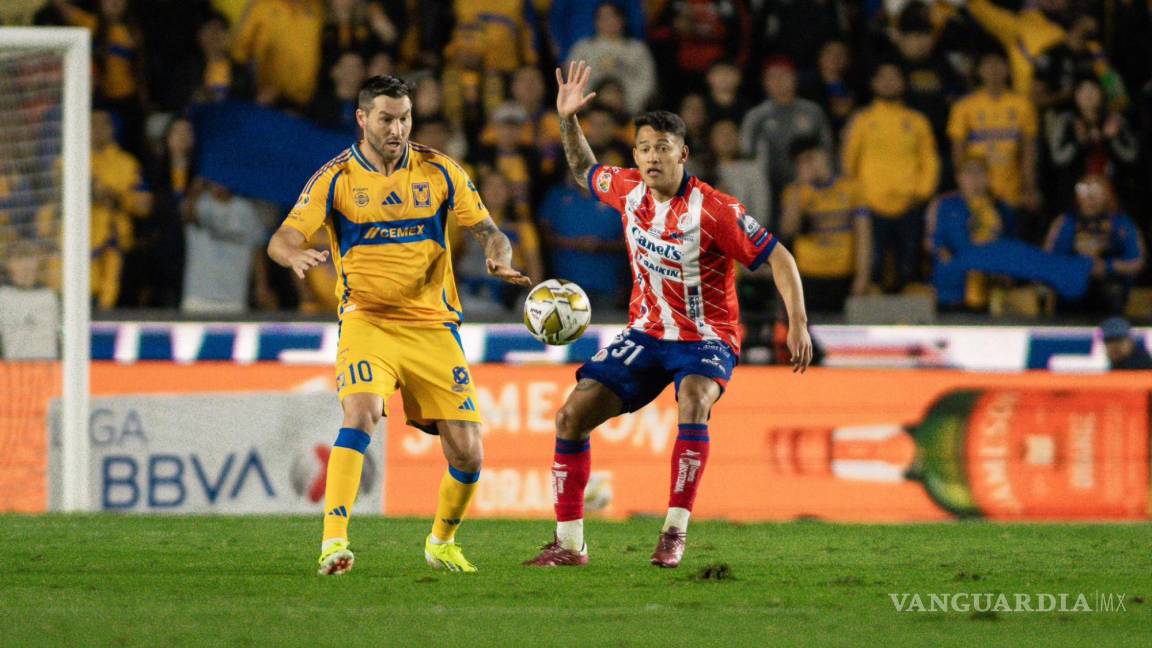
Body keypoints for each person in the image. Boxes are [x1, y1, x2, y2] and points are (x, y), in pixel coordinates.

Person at [525, 62, 812, 569]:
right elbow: (581, 168)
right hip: (646, 334)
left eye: (663, 147)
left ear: (683, 153)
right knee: (570, 416)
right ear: (634, 154)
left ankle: (674, 533)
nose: (653, 156)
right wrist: (567, 119)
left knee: (695, 399)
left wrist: (799, 324)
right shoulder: (627, 189)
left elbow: (780, 258)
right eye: (644, 148)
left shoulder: (716, 210)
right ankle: (569, 545)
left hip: (706, 337)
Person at [266, 75, 531, 576]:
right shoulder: (337, 178)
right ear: (362, 119)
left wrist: (499, 257)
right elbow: (280, 237)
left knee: (470, 455)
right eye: (386, 118)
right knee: (361, 413)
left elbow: (489, 230)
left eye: (405, 117)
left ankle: (441, 542)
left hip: (433, 325)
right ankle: (334, 543)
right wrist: (294, 255)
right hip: (368, 320)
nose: (398, 128)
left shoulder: (438, 170)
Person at [841, 63, 938, 292]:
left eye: (894, 77)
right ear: (873, 83)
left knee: (909, 262)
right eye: (882, 78)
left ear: (903, 83)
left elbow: (929, 160)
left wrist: (921, 193)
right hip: (871, 205)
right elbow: (849, 161)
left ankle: (911, 303)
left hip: (910, 203)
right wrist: (857, 197)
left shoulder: (917, 121)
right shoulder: (862, 120)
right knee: (873, 262)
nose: (888, 82)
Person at [781, 138, 872, 312]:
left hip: (843, 273)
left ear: (824, 155)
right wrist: (801, 186)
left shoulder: (852, 188)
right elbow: (788, 230)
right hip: (808, 275)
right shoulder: (794, 192)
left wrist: (862, 276)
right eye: (801, 162)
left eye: (811, 158)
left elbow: (863, 235)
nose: (809, 165)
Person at [947, 51, 1040, 212]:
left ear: (1008, 69)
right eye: (988, 65)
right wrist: (963, 186)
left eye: (999, 64)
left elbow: (1028, 150)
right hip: (976, 193)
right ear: (979, 70)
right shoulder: (964, 106)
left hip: (1011, 192)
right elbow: (958, 151)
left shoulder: (1023, 104)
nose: (993, 69)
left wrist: (1029, 188)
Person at [1043, 175, 1146, 315]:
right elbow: (1047, 259)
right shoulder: (1064, 222)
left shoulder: (1121, 223)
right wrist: (1078, 267)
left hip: (1108, 287)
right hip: (1071, 286)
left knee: (1112, 290)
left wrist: (1107, 266)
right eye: (1084, 190)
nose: (1089, 197)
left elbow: (1137, 261)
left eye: (1096, 191)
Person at [566, 2, 657, 114]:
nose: (609, 22)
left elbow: (646, 82)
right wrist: (589, 103)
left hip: (627, 111)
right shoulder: (583, 49)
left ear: (622, 20)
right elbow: (573, 80)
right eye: (603, 17)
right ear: (596, 22)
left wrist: (628, 104)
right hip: (591, 112)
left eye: (613, 16)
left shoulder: (637, 50)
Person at [0, 241, 59, 361]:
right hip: (11, 370)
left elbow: (59, 335)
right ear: (9, 264)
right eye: (19, 259)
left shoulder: (49, 296)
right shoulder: (3, 296)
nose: (25, 265)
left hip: (48, 368)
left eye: (30, 258)